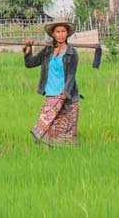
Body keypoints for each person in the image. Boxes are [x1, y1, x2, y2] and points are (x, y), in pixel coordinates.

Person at [23, 18, 81, 146]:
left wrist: (65, 92)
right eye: (58, 31)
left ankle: (67, 157)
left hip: (66, 96)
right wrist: (28, 47)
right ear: (53, 34)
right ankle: (48, 153)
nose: (60, 34)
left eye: (63, 31)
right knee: (45, 126)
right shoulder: (47, 51)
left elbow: (71, 74)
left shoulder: (72, 53)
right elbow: (30, 63)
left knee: (66, 131)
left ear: (67, 34)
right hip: (51, 95)